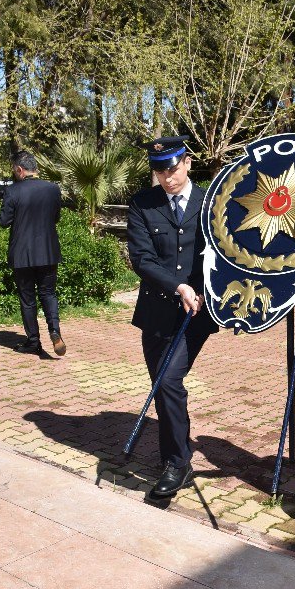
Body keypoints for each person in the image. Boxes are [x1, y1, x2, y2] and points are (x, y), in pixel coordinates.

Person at [126, 136, 219, 498]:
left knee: (168, 380)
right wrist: (178, 286)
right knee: (163, 389)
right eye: (160, 170)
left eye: (173, 168)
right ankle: (175, 454)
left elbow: (228, 251)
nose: (167, 177)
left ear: (188, 163)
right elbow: (143, 260)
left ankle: (177, 463)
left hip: (197, 313)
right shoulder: (142, 204)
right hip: (155, 311)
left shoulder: (212, 202)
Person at [0, 151, 66, 356]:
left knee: (28, 299)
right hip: (47, 251)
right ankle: (55, 331)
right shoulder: (53, 189)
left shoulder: (13, 191)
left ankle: (33, 341)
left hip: (22, 254)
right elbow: (56, 218)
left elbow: (3, 222)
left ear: (20, 169)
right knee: (49, 293)